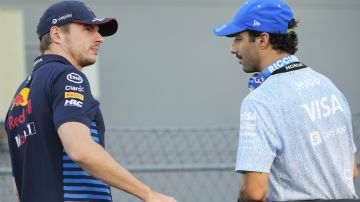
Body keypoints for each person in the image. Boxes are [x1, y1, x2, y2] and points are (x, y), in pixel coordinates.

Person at [4, 1, 177, 202]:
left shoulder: (19, 97)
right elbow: (80, 149)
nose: (99, 38)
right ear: (56, 34)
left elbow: (19, 187)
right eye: (88, 29)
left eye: (98, 31)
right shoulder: (66, 76)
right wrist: (148, 194)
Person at [212, 0, 358, 201]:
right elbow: (351, 170)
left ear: (262, 40)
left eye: (238, 38)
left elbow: (253, 193)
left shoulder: (260, 101)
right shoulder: (329, 88)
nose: (233, 48)